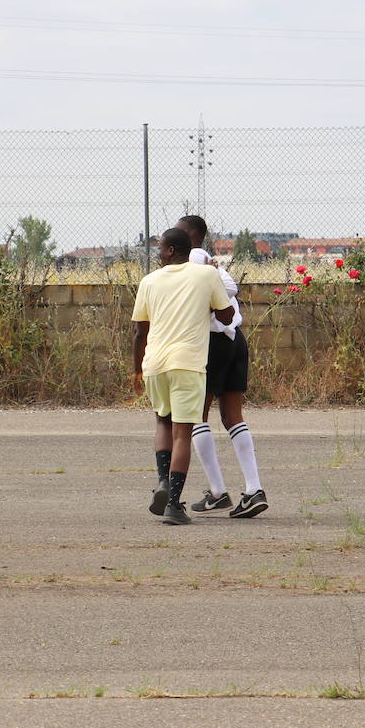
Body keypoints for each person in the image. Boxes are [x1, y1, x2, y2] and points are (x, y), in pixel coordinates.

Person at [132, 227, 235, 525]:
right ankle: (174, 505)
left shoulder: (149, 281)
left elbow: (140, 332)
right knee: (183, 433)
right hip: (187, 364)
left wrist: (136, 369)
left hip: (154, 363)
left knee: (162, 421)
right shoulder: (206, 275)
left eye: (160, 249)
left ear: (173, 250)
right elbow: (227, 316)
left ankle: (163, 482)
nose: (158, 254)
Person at [175, 215, 268, 518]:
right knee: (232, 416)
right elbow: (228, 285)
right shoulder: (207, 261)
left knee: (195, 415)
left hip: (212, 342)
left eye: (179, 230)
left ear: (192, 236)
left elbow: (229, 287)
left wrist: (207, 280)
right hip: (234, 339)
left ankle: (218, 491)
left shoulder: (194, 256)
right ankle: (253, 489)